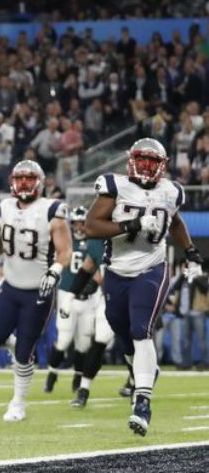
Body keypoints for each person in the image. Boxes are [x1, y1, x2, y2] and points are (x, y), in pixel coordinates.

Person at [85, 138, 202, 436]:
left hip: (152, 267)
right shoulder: (116, 186)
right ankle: (143, 371)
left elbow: (174, 222)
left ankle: (143, 402)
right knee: (121, 331)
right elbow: (92, 226)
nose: (147, 167)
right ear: (132, 160)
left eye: (153, 162)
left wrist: (189, 250)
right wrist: (131, 225)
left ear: (162, 166)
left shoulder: (171, 190)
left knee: (142, 330)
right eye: (143, 160)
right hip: (117, 271)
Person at [0, 160, 72, 423]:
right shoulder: (4, 207)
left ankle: (18, 402)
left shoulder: (53, 209)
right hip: (10, 288)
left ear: (40, 183)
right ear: (12, 182)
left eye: (30, 179)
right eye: (20, 179)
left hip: (38, 292)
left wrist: (54, 271)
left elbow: (65, 252)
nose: (24, 184)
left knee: (23, 354)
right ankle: (19, 349)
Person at [44, 206, 112, 408]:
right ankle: (52, 374)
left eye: (83, 223)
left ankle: (79, 378)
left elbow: (96, 270)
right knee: (64, 339)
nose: (80, 227)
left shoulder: (96, 241)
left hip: (91, 297)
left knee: (84, 343)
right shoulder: (67, 241)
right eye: (77, 223)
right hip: (69, 293)